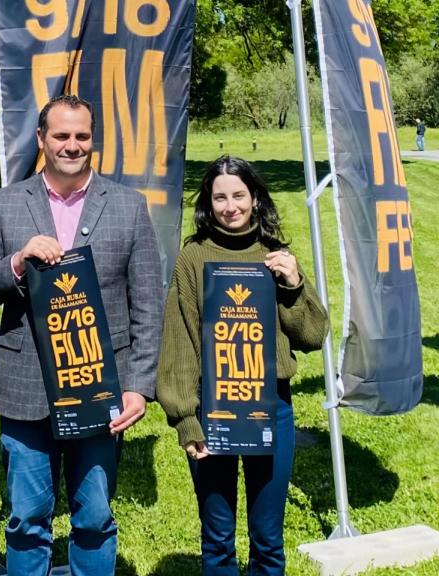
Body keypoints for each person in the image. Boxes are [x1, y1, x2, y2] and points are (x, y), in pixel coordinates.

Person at [0, 94, 163, 575]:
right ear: (41, 140)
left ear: (93, 139)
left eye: (82, 136)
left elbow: (149, 306)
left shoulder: (129, 207)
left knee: (94, 516)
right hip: (26, 387)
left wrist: (138, 386)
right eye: (61, 136)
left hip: (99, 387)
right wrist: (15, 262)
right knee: (28, 518)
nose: (72, 146)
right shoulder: (7, 205)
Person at [156, 156, 328, 576]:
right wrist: (185, 420)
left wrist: (293, 285)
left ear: (254, 198)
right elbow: (179, 343)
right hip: (211, 408)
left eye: (238, 195)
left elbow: (312, 336)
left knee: (268, 538)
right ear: (208, 203)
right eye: (220, 197)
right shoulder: (192, 258)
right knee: (217, 538)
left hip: (272, 407)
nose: (230, 206)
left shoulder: (275, 256)